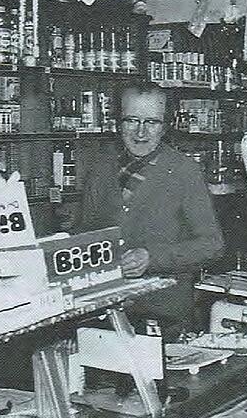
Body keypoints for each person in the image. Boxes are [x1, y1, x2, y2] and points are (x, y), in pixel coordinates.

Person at [74, 81, 224, 334]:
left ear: (165, 127)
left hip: (164, 316)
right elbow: (84, 234)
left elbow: (212, 245)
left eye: (151, 123)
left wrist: (152, 258)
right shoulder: (100, 168)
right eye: (131, 120)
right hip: (103, 311)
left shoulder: (184, 170)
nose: (140, 133)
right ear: (117, 122)